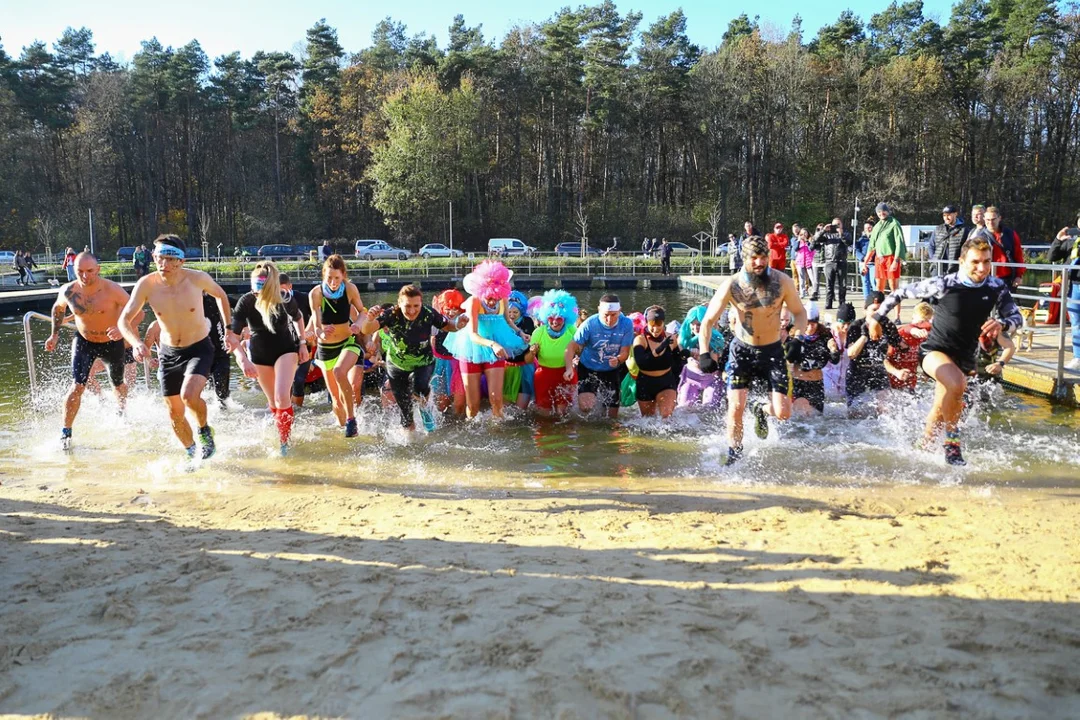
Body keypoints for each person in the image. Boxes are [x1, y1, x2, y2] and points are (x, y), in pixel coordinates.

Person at [867, 236, 1022, 465]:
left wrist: (1003, 324)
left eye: (987, 262)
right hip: (934, 352)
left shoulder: (995, 287)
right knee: (957, 384)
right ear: (962, 261)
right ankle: (952, 442)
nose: (982, 268)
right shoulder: (944, 284)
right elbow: (899, 293)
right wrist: (876, 320)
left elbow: (1017, 317)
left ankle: (923, 449)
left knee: (940, 409)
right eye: (975, 262)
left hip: (966, 357)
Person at [119, 235, 237, 460]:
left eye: (168, 259)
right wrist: (135, 343)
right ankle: (192, 453)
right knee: (174, 413)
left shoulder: (197, 279)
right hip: (169, 352)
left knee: (189, 396)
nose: (162, 264)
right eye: (158, 258)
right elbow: (123, 320)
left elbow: (221, 295)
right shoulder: (147, 285)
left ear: (180, 261)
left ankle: (204, 429)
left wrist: (230, 330)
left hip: (199, 347)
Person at [698, 238, 807, 465]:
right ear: (743, 258)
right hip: (742, 350)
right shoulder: (732, 285)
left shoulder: (782, 281)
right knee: (736, 406)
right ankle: (734, 454)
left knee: (784, 413)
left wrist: (797, 337)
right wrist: (704, 353)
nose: (759, 262)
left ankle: (760, 409)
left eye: (763, 257)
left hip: (773, 350)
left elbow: (800, 313)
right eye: (754, 258)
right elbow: (708, 321)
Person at [44, 252, 138, 449]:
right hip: (84, 341)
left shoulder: (112, 289)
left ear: (98, 270)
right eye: (80, 271)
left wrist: (121, 329)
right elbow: (58, 309)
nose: (85, 276)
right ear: (74, 270)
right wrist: (54, 334)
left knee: (118, 383)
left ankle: (121, 411)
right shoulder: (68, 290)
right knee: (77, 386)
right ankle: (66, 432)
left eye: (90, 271)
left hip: (111, 342)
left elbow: (138, 312)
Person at [361, 285, 467, 432]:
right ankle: (411, 444)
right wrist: (369, 320)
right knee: (406, 413)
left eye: (416, 306)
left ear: (421, 303)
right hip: (397, 366)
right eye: (407, 306)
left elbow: (447, 326)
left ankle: (425, 411)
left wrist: (457, 324)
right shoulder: (391, 314)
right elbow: (367, 329)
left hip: (423, 362)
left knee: (420, 390)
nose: (412, 311)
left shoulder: (428, 312)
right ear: (399, 303)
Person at [231, 261, 307, 454]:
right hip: (259, 353)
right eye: (253, 287)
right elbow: (232, 336)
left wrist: (303, 343)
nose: (256, 292)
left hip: (285, 349)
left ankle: (284, 444)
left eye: (259, 287)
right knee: (273, 402)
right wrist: (242, 359)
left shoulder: (284, 298)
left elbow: (298, 317)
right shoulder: (246, 301)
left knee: (282, 397)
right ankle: (282, 429)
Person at [444, 260, 528, 419]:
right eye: (489, 297)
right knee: (473, 404)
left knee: (496, 399)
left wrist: (520, 332)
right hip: (472, 348)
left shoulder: (503, 299)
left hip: (494, 349)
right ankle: (472, 433)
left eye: (495, 297)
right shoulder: (474, 302)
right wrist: (493, 344)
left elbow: (508, 321)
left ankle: (498, 430)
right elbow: (473, 334)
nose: (492, 301)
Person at [310, 254, 367, 436]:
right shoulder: (316, 293)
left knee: (339, 372)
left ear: (343, 275)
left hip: (347, 343)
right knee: (336, 399)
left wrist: (358, 323)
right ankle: (346, 433)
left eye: (337, 278)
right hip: (326, 349)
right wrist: (319, 332)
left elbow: (362, 312)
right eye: (329, 278)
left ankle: (351, 419)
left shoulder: (350, 289)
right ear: (323, 276)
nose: (333, 282)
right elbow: (316, 321)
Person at [565, 294, 634, 418]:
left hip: (611, 369)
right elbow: (571, 347)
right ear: (599, 310)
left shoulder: (626, 324)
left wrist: (618, 359)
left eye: (613, 315)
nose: (609, 319)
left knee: (611, 416)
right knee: (586, 408)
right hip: (588, 367)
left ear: (619, 311)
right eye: (606, 315)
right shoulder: (590, 323)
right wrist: (569, 367)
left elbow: (625, 352)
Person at [845, 292, 906, 412]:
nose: (877, 314)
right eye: (874, 310)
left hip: (878, 370)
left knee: (885, 408)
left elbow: (902, 347)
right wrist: (864, 336)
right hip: (857, 370)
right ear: (865, 310)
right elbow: (851, 354)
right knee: (854, 412)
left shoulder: (887, 325)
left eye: (880, 311)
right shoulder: (856, 326)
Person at [527, 290, 579, 417]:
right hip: (544, 375)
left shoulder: (572, 330)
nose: (555, 321)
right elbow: (528, 360)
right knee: (544, 414)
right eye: (551, 318)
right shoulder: (538, 332)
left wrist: (576, 357)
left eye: (559, 318)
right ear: (546, 317)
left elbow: (580, 350)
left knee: (563, 415)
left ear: (565, 318)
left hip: (565, 374)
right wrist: (532, 352)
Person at [786, 302, 840, 415]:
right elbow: (788, 358)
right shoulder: (794, 335)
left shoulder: (825, 335)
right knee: (804, 414)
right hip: (800, 384)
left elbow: (835, 361)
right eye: (808, 323)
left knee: (817, 420)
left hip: (817, 385)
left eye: (814, 323)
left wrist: (834, 349)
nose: (811, 327)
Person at [632, 306, 679, 418]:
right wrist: (658, 350)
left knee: (666, 415)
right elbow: (641, 362)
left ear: (663, 323)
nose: (655, 329)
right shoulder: (640, 339)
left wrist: (684, 356)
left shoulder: (670, 338)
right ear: (647, 323)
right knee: (648, 420)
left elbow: (677, 362)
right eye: (652, 326)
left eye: (659, 325)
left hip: (666, 381)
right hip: (645, 382)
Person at [676, 305, 725, 409]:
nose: (695, 328)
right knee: (683, 408)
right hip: (691, 378)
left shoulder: (715, 339)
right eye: (692, 325)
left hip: (710, 379)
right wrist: (690, 352)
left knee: (710, 410)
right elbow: (682, 354)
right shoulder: (684, 339)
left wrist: (703, 353)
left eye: (698, 324)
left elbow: (714, 361)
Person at [862, 202, 906, 317]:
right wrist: (865, 263)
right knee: (879, 288)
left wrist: (896, 261)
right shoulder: (876, 227)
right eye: (879, 212)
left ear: (888, 211)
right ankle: (879, 313)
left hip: (891, 258)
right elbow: (871, 246)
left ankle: (897, 316)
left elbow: (899, 243)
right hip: (879, 259)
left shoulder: (894, 224)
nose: (882, 213)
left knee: (893, 288)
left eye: (883, 211)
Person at [1049, 216, 1080, 370]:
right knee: (1076, 323)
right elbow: (1052, 257)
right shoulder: (1071, 240)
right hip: (1074, 286)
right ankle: (1078, 357)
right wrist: (1058, 240)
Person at [279, 273, 313, 407]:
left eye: (283, 289)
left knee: (298, 379)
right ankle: (284, 408)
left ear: (290, 286)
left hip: (303, 343)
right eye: (278, 290)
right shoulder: (273, 300)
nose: (281, 293)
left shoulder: (303, 298)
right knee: (283, 381)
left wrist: (310, 330)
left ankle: (298, 409)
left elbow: (317, 315)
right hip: (283, 345)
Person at [431, 289, 467, 414]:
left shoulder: (463, 321)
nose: (451, 312)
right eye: (447, 309)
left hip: (458, 364)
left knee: (459, 404)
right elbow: (432, 338)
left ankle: (459, 422)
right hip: (440, 362)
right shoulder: (437, 320)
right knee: (442, 404)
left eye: (454, 309)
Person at [889, 302, 934, 391]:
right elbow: (885, 360)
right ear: (913, 317)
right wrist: (896, 372)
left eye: (926, 323)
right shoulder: (901, 334)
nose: (922, 327)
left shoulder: (926, 336)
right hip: (891, 381)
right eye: (920, 322)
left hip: (910, 382)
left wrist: (926, 372)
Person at [981, 206, 1025, 290]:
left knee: (1007, 302)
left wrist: (1019, 276)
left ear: (999, 218)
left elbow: (1018, 255)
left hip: (1008, 278)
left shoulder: (1010, 234)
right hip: (986, 278)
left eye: (993, 219)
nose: (990, 222)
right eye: (988, 220)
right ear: (984, 219)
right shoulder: (980, 237)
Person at [823, 302, 855, 399]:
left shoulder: (854, 333)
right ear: (838, 320)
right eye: (843, 323)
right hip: (828, 377)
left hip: (845, 379)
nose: (846, 327)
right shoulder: (828, 332)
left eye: (849, 323)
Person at [815, 219, 849, 309]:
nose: (836, 226)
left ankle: (842, 303)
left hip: (841, 261)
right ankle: (828, 303)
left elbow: (848, 242)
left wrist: (841, 234)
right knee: (829, 284)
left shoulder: (845, 233)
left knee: (843, 285)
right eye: (834, 225)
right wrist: (823, 230)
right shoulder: (827, 235)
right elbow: (815, 240)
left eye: (838, 224)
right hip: (829, 262)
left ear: (842, 225)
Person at [931, 205, 969, 276]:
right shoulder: (938, 229)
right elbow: (931, 246)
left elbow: (966, 249)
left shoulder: (964, 230)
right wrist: (934, 259)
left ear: (955, 214)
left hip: (955, 268)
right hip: (937, 267)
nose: (946, 218)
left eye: (949, 215)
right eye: (944, 215)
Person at [854, 222, 875, 300]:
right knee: (865, 283)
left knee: (874, 282)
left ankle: (876, 299)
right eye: (866, 228)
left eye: (869, 227)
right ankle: (867, 300)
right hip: (863, 264)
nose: (868, 229)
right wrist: (863, 258)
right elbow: (856, 251)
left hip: (873, 264)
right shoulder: (861, 240)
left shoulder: (877, 238)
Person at [795, 229, 815, 299]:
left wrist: (807, 241)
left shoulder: (811, 240)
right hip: (800, 261)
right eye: (802, 233)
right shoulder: (798, 241)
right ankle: (802, 293)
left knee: (812, 278)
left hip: (809, 261)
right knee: (801, 279)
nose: (803, 235)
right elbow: (795, 249)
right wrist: (798, 240)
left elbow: (811, 249)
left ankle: (815, 292)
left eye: (805, 233)